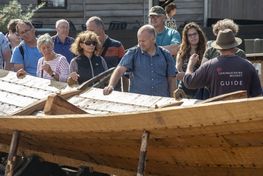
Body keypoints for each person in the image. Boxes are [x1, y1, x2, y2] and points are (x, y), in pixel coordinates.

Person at [183, 29, 262, 98]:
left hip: (218, 113)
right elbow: (258, 95)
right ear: (235, 48)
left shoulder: (209, 65)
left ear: (218, 49)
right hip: (242, 113)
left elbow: (189, 82)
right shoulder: (248, 65)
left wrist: (190, 64)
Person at [103, 24, 177, 97]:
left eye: (143, 41)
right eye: (139, 41)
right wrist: (111, 85)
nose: (141, 44)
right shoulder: (133, 53)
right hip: (139, 102)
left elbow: (172, 79)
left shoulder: (165, 55)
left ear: (153, 40)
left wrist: (173, 99)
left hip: (161, 102)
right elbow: (119, 70)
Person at [85, 16, 125, 90]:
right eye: (87, 31)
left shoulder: (117, 45)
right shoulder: (86, 46)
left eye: (91, 30)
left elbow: (125, 71)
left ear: (101, 28)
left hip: (113, 89)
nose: (89, 34)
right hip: (92, 90)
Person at [176, 22, 207, 98]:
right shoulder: (182, 51)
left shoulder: (206, 50)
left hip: (200, 91)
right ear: (186, 37)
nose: (193, 37)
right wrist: (183, 75)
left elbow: (205, 74)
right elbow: (177, 71)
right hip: (183, 89)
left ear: (199, 34)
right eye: (190, 35)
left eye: (195, 34)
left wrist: (188, 76)